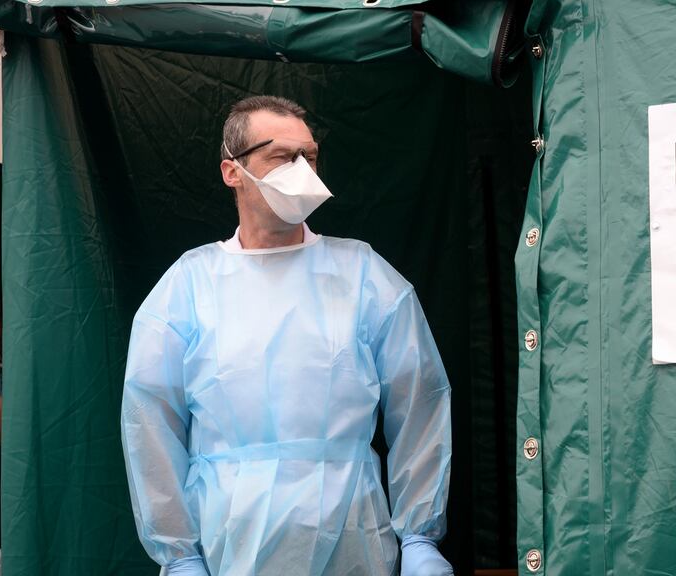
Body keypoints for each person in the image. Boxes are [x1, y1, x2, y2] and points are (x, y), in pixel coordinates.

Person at [121, 96, 453, 576]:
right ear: (232, 171)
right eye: (282, 157)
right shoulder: (188, 288)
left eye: (310, 157)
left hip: (351, 540)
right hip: (230, 544)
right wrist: (179, 555)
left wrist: (420, 535)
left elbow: (420, 401)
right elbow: (150, 423)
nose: (301, 170)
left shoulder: (363, 276)